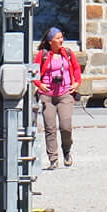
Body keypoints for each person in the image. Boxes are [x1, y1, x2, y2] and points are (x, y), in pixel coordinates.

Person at [34, 28, 81, 168]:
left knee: (66, 126)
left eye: (62, 37)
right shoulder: (43, 54)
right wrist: (39, 84)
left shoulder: (67, 53)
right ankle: (53, 158)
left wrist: (77, 82)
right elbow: (34, 72)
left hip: (64, 93)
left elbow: (76, 68)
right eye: (58, 38)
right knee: (50, 127)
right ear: (50, 41)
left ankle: (66, 151)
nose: (61, 40)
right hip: (47, 95)